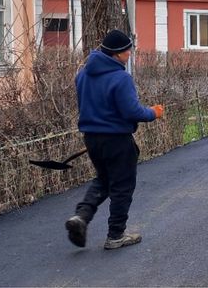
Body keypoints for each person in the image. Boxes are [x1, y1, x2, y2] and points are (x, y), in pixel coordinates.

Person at [65, 29, 163, 250]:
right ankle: (116, 235)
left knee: (104, 180)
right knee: (122, 186)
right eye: (128, 49)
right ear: (117, 53)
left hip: (92, 139)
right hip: (118, 141)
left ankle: (81, 216)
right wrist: (154, 112)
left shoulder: (83, 75)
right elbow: (133, 112)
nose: (130, 53)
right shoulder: (121, 78)